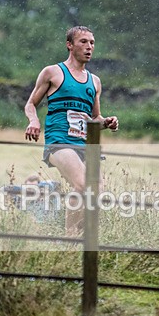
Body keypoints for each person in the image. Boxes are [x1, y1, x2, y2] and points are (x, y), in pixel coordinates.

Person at [23, 26, 119, 235]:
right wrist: (34, 121)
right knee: (84, 185)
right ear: (69, 45)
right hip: (60, 142)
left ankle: (73, 237)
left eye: (92, 43)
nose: (89, 47)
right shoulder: (53, 72)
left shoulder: (95, 81)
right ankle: (70, 236)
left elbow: (95, 118)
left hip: (85, 144)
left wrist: (107, 122)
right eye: (83, 42)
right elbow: (31, 104)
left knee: (96, 192)